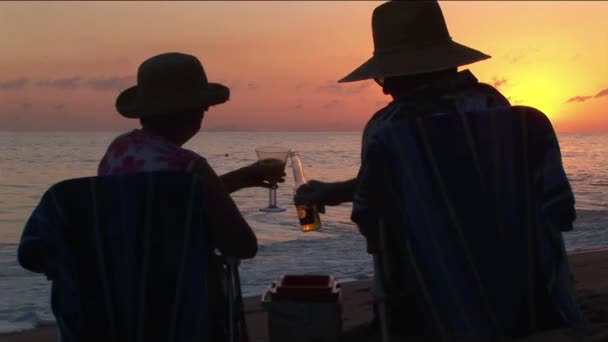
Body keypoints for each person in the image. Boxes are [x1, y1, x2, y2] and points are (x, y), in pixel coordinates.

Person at [296, 1, 582, 340]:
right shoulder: (509, 115)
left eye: (384, 77)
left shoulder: (388, 130)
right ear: (449, 62)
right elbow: (561, 215)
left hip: (434, 312)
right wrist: (337, 191)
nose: (385, 88)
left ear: (398, 74)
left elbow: (375, 229)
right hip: (534, 302)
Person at [100, 52, 284, 340]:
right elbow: (242, 245)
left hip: (122, 300)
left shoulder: (118, 151)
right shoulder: (191, 167)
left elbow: (162, 202)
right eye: (205, 107)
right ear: (194, 112)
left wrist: (238, 179)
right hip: (182, 307)